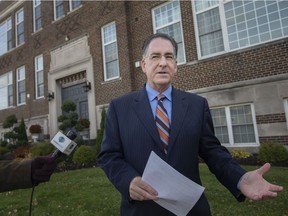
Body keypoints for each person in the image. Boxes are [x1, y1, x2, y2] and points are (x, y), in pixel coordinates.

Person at [97, 33, 283, 215]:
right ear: (144, 65)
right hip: (141, 209)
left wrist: (240, 177)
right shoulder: (120, 107)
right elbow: (109, 155)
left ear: (175, 66)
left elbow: (213, 152)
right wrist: (128, 181)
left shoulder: (197, 105)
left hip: (190, 210)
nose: (163, 62)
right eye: (155, 57)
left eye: (169, 57)